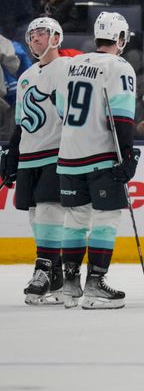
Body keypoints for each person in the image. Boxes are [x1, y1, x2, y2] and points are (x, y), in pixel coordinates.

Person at [55, 11, 139, 310]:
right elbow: (122, 116)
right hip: (101, 154)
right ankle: (95, 285)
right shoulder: (119, 66)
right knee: (105, 219)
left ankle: (69, 285)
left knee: (75, 220)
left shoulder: (73, 63)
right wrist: (127, 155)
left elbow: (61, 107)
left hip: (69, 154)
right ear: (120, 38)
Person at [0, 17, 70, 305]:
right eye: (31, 34)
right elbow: (20, 124)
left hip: (56, 152)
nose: (35, 38)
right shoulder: (26, 75)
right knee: (33, 214)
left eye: (42, 33)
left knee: (49, 210)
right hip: (29, 155)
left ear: (56, 37)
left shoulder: (66, 69)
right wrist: (11, 155)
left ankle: (42, 269)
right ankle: (55, 271)